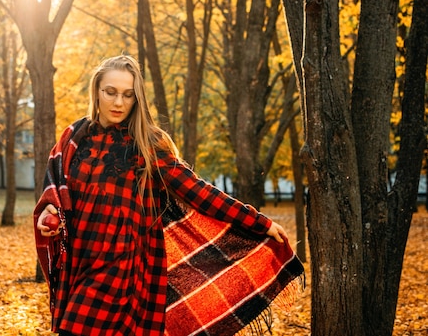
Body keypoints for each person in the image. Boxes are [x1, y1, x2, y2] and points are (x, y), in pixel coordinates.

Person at [34, 55, 299, 336]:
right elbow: (55, 190)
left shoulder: (146, 144)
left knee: (76, 329)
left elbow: (199, 192)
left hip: (123, 270)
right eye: (110, 92)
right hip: (78, 262)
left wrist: (259, 223)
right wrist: (50, 213)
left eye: (128, 95)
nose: (119, 103)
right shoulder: (75, 137)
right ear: (96, 90)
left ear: (138, 99)